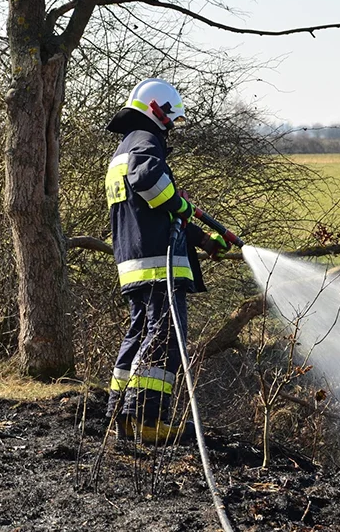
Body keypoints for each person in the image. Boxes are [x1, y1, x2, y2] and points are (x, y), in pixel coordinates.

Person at [104, 78, 229, 444]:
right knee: (165, 338)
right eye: (171, 119)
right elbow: (149, 182)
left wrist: (203, 239)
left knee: (140, 334)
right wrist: (183, 204)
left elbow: (155, 214)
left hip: (136, 262)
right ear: (157, 111)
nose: (172, 127)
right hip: (159, 265)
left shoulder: (123, 149)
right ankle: (147, 420)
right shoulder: (145, 142)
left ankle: (122, 418)